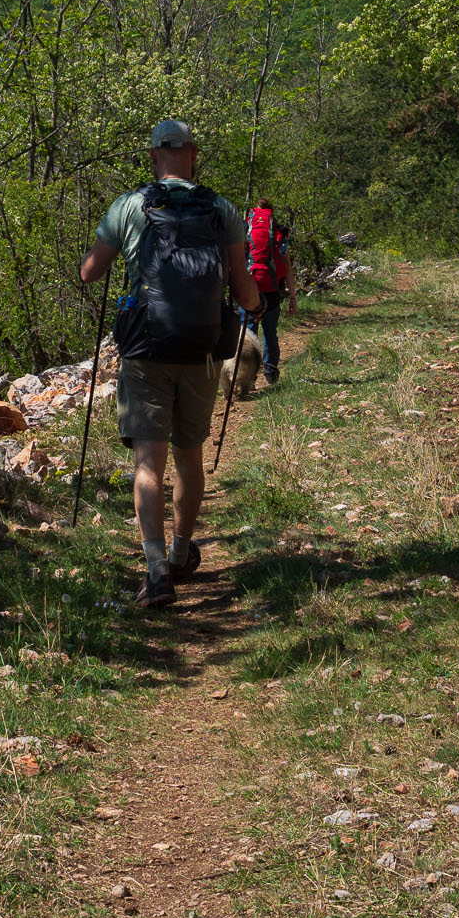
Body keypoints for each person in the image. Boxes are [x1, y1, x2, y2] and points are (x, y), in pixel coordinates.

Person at [80, 119, 260, 609]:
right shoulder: (220, 208)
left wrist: (96, 260)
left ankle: (157, 571)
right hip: (202, 350)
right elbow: (243, 287)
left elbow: (91, 272)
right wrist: (257, 306)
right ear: (193, 154)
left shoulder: (130, 205)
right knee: (190, 458)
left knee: (147, 462)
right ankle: (182, 551)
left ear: (155, 155)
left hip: (146, 349)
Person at [245, 199, 297, 385]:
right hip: (273, 292)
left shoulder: (246, 230)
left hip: (249, 290)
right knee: (270, 333)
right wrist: (292, 297)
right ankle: (271, 374)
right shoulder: (280, 235)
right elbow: (288, 269)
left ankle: (247, 378)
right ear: (272, 214)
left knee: (249, 335)